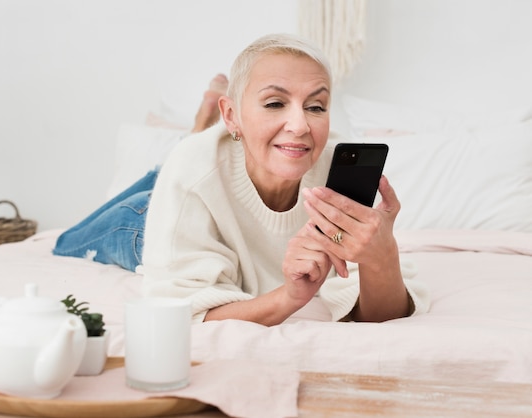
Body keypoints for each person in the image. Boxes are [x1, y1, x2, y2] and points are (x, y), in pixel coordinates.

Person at [139, 33, 429, 325]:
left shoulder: (337, 168)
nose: (300, 126)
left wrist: (381, 257)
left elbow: (383, 314)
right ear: (231, 115)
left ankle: (201, 127)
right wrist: (288, 297)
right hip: (136, 222)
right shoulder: (193, 172)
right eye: (275, 103)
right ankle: (200, 128)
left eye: (315, 107)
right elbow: (178, 310)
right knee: (118, 218)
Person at [52, 74, 229, 270]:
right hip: (154, 217)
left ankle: (195, 136)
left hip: (153, 215)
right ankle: (194, 139)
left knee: (66, 242)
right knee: (65, 244)